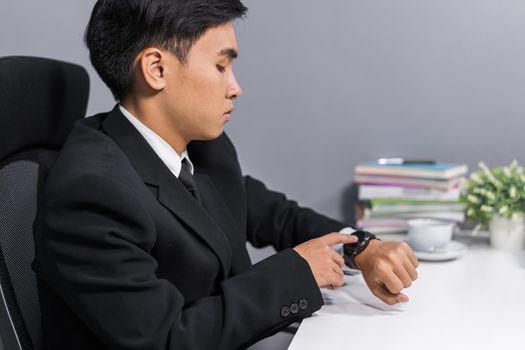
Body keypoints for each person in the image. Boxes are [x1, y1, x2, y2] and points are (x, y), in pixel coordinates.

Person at [33, 1, 419, 349]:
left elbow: (275, 215)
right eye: (221, 66)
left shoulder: (199, 147)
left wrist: (360, 245)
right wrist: (297, 273)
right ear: (156, 68)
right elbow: (165, 340)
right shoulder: (92, 193)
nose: (235, 88)